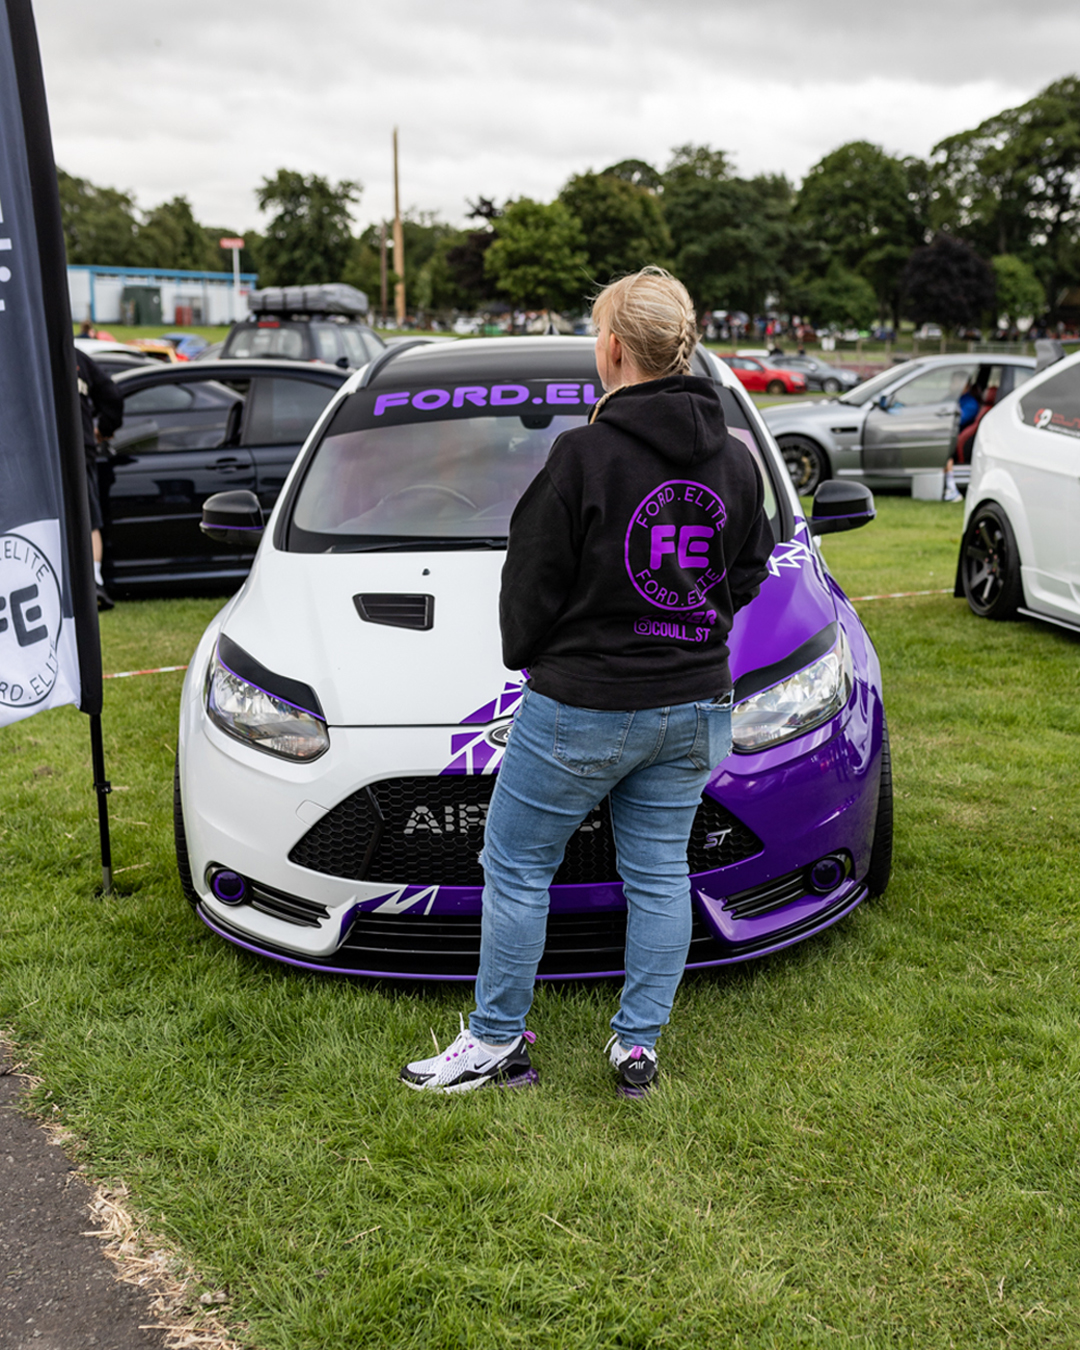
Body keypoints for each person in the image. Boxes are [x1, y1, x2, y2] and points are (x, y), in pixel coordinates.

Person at [400, 267, 774, 1097]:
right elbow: (747, 569)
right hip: (695, 704)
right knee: (658, 873)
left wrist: (534, 653)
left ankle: (497, 1042)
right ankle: (636, 1047)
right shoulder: (738, 460)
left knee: (518, 866)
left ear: (611, 349)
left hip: (585, 707)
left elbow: (529, 579)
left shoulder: (583, 455)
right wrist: (687, 620)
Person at [75, 348, 123, 610]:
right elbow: (112, 395)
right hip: (80, 448)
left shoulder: (26, 353)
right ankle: (95, 582)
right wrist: (105, 429)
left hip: (42, 451)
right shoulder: (76, 358)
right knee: (88, 517)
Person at [943, 377, 981, 502]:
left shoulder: (970, 403)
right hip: (948, 436)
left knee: (946, 456)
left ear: (965, 385)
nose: (951, 385)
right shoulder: (953, 399)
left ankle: (952, 488)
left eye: (955, 381)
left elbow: (955, 421)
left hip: (954, 439)